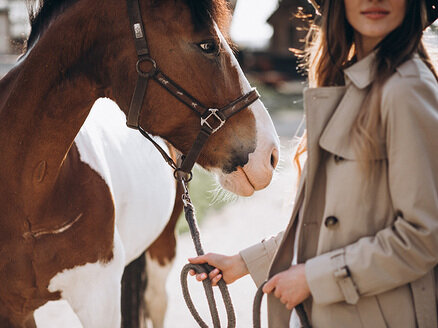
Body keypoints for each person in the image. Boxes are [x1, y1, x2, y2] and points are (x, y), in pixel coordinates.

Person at [189, 0, 438, 327]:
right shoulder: (352, 84)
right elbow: (332, 224)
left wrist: (315, 279)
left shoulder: (406, 90)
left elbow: (424, 235)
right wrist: (244, 262)